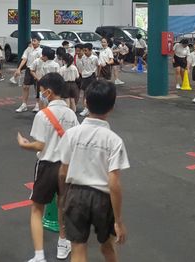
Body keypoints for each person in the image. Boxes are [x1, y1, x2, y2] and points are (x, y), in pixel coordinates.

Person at [57, 80, 130, 262]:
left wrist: (64, 200)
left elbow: (62, 172)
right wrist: (119, 221)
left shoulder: (71, 134)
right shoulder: (114, 140)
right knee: (107, 248)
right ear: (112, 107)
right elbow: (114, 183)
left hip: (75, 195)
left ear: (85, 102)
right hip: (102, 199)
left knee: (78, 250)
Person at [17, 72, 80, 262]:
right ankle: (63, 243)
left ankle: (39, 256)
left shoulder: (43, 115)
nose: (41, 95)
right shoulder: (70, 113)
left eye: (42, 92)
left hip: (46, 166)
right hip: (67, 166)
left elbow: (39, 145)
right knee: (62, 205)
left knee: (37, 209)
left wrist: (23, 144)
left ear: (50, 92)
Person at [14, 37, 43, 113]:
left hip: (37, 70)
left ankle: (37, 104)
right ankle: (24, 105)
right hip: (28, 69)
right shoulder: (28, 49)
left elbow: (40, 62)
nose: (33, 42)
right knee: (25, 86)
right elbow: (24, 59)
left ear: (39, 42)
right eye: (32, 41)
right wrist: (19, 68)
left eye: (34, 41)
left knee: (37, 88)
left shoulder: (41, 51)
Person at [79, 43, 99, 117]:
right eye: (84, 50)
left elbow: (98, 65)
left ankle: (90, 108)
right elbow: (82, 66)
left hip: (92, 76)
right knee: (85, 93)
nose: (85, 52)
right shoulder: (83, 57)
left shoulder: (95, 58)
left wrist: (97, 75)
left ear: (91, 50)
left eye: (86, 50)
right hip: (84, 76)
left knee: (91, 93)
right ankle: (86, 108)